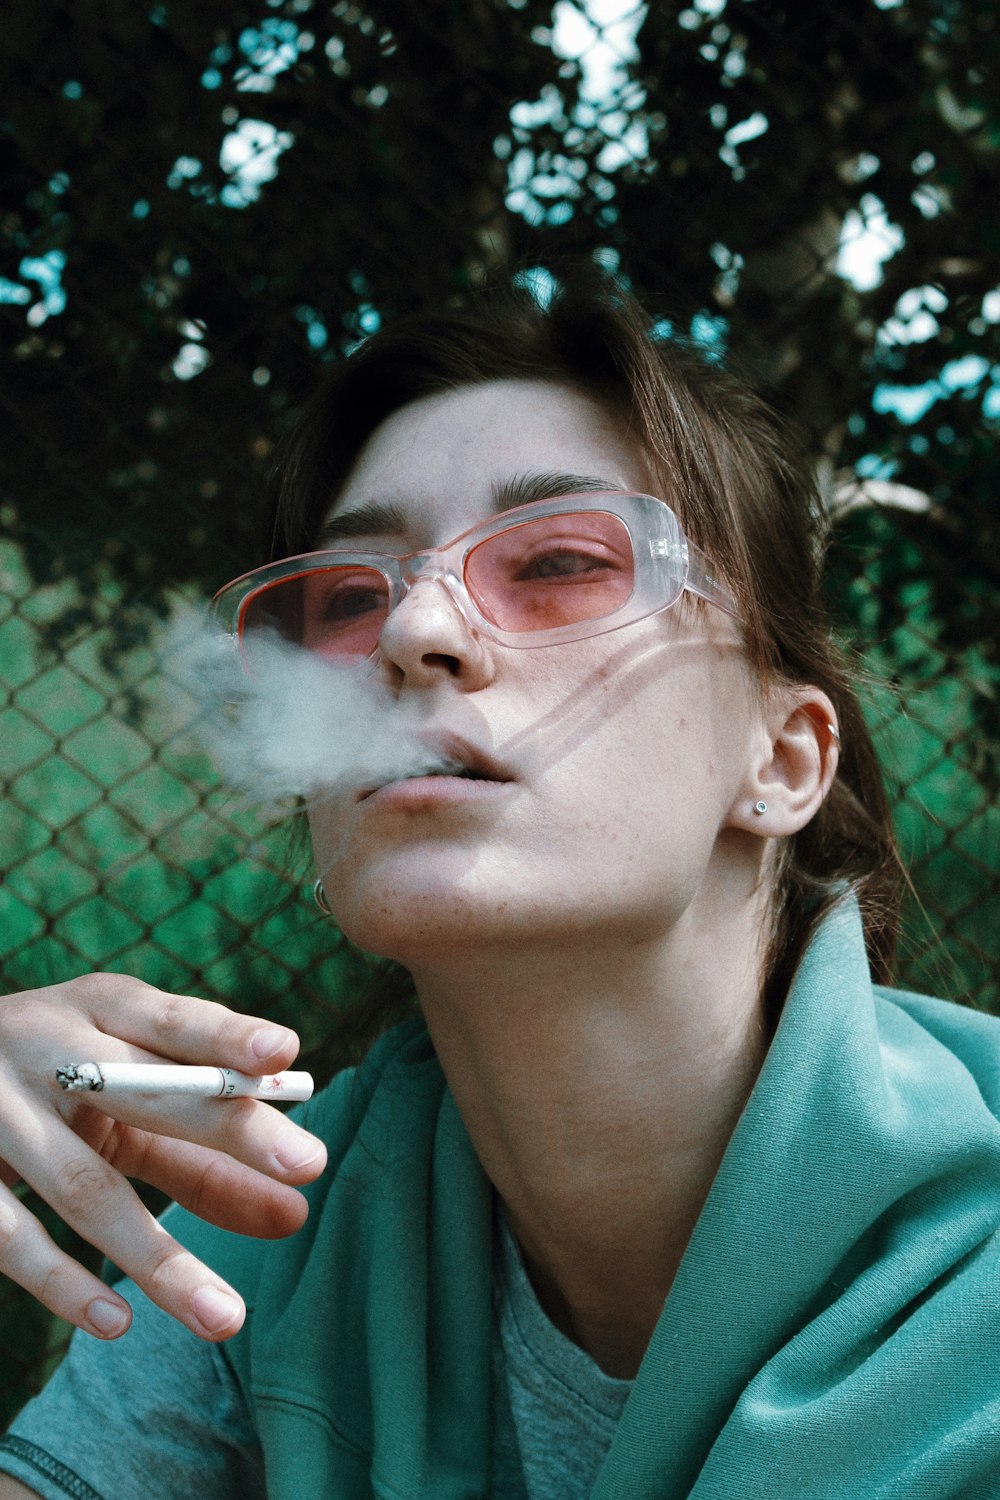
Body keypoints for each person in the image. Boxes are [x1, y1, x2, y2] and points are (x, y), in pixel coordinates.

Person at [1, 271, 999, 1500]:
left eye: (563, 562)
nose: (417, 628)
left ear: (781, 758)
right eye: (350, 598)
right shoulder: (274, 1236)